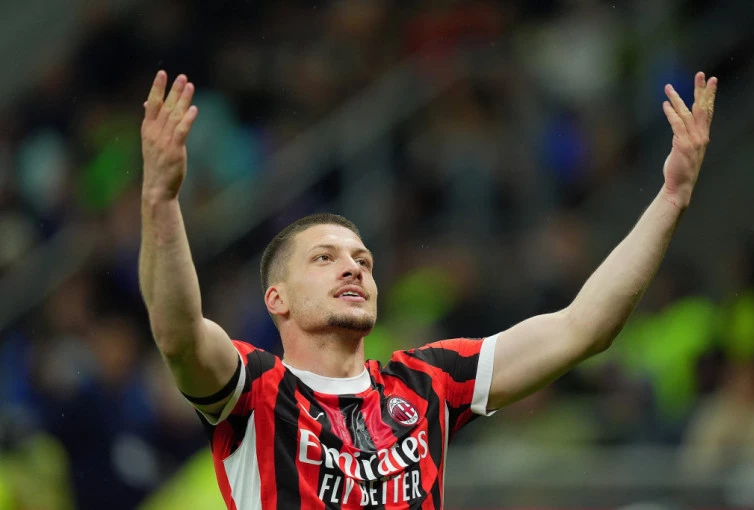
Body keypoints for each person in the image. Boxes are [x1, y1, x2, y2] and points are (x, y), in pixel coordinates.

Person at [139, 70, 717, 508]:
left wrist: (671, 198)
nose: (353, 268)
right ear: (277, 299)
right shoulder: (257, 391)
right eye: (324, 258)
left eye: (362, 260)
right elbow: (178, 333)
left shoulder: (427, 384)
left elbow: (582, 328)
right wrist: (160, 200)